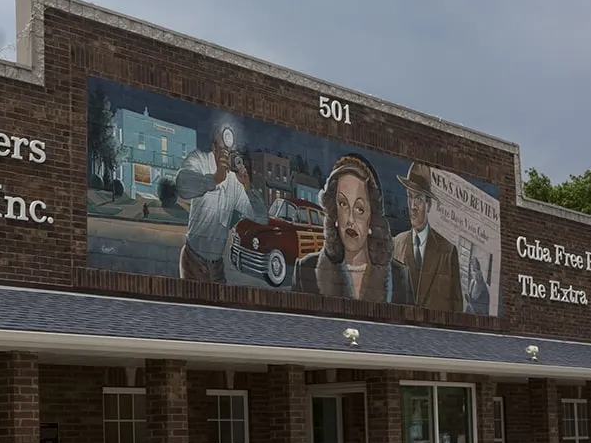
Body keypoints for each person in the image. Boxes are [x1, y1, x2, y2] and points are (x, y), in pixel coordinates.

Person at [293, 153, 412, 304]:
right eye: (343, 204)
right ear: (334, 213)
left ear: (372, 219)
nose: (350, 220)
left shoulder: (399, 277)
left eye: (359, 209)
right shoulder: (305, 271)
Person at [173, 122, 268, 282]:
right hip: (193, 259)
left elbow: (261, 218)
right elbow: (182, 185)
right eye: (223, 150)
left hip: (217, 266)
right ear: (214, 148)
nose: (227, 155)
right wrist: (215, 179)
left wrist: (248, 188)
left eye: (231, 151)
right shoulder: (200, 160)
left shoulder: (235, 181)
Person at [393, 162, 464, 312]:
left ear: (429, 204)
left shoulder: (448, 251)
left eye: (418, 198)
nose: (412, 206)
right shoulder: (397, 244)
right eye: (409, 197)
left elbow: (457, 307)